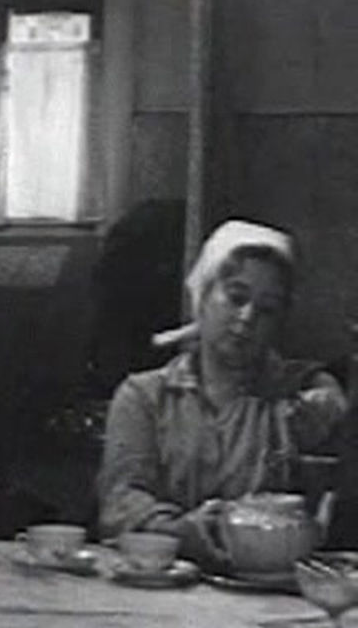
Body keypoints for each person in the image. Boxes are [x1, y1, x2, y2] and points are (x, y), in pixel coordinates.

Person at [97, 220, 348, 564]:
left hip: (265, 586)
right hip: (162, 577)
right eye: (236, 297)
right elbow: (120, 501)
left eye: (267, 309)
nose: (247, 317)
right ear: (202, 297)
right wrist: (180, 531)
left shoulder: (299, 396)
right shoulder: (144, 397)